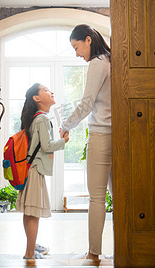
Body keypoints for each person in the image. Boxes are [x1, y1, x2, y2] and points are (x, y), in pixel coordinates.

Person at [60, 24, 112, 261]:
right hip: (119, 137)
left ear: (88, 40)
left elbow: (86, 104)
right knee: (118, 196)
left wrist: (65, 126)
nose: (77, 53)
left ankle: (93, 253)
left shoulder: (97, 63)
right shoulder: (112, 60)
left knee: (97, 198)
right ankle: (124, 248)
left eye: (76, 46)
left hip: (101, 136)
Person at [16, 83, 69, 259]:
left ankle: (32, 245)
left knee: (29, 211)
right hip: (36, 171)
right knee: (34, 213)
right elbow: (47, 146)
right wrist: (63, 141)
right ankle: (29, 252)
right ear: (37, 98)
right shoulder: (43, 119)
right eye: (46, 90)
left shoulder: (34, 118)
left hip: (29, 169)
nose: (51, 91)